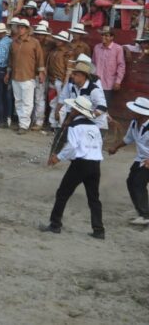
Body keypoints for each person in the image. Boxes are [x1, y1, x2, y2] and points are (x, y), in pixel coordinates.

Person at [42, 95, 105, 240]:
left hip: (81, 163)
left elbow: (71, 146)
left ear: (77, 111)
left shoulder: (74, 126)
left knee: (63, 193)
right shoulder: (94, 126)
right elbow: (99, 145)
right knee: (94, 198)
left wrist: (58, 157)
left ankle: (55, 224)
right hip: (95, 163)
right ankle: (99, 229)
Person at [108, 96, 149, 226]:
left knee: (138, 183)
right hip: (141, 158)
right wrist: (116, 147)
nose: (131, 112)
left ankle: (145, 215)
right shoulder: (134, 123)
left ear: (142, 113)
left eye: (134, 111)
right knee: (131, 181)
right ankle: (141, 210)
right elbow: (128, 139)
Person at [6, 18, 45, 134]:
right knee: (18, 101)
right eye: (19, 27)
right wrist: (8, 73)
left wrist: (41, 73)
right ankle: (21, 123)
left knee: (27, 102)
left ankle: (24, 125)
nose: (20, 29)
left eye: (22, 27)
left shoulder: (34, 42)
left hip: (28, 76)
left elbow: (40, 58)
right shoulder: (14, 42)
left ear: (27, 30)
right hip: (15, 75)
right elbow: (10, 60)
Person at [92, 26, 125, 105]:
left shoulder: (118, 49)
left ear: (112, 37)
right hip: (96, 82)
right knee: (93, 105)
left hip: (109, 84)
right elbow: (92, 63)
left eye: (106, 35)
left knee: (104, 106)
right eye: (102, 35)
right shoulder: (97, 47)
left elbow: (121, 66)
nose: (103, 37)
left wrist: (118, 82)